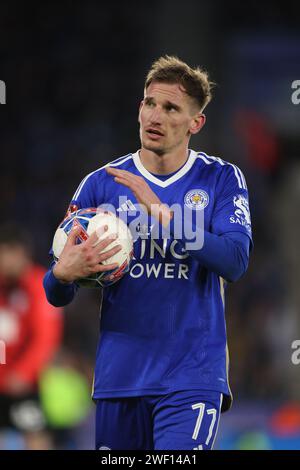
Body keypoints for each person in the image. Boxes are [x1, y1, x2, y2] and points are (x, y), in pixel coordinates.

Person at [43, 56, 253, 450]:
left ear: (195, 123)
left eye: (171, 108)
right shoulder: (100, 184)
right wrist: (62, 275)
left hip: (191, 377)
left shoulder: (221, 178)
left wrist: (162, 213)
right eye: (149, 103)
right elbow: (55, 293)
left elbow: (235, 261)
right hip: (119, 378)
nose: (155, 115)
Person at [0, 224, 63, 449]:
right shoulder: (4, 286)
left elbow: (45, 340)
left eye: (4, 254)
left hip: (23, 385)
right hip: (3, 379)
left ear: (19, 252)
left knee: (36, 439)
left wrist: (23, 373)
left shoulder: (38, 285)